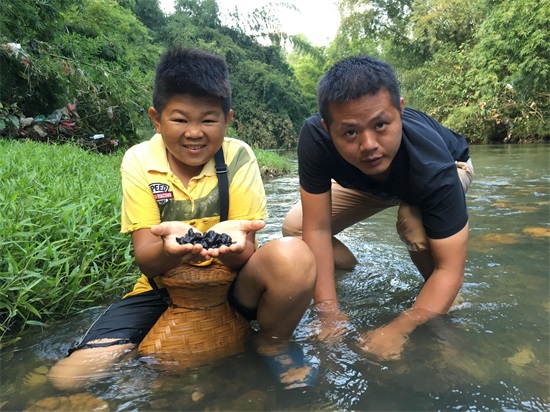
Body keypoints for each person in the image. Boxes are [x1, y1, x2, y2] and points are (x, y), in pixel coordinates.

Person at [48, 47, 317, 391]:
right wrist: (173, 250)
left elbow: (245, 250)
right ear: (156, 119)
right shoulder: (139, 161)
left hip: (232, 282)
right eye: (179, 119)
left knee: (294, 253)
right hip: (162, 288)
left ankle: (273, 342)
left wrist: (231, 245)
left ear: (227, 119)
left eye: (208, 119)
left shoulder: (239, 156)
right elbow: (146, 258)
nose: (194, 132)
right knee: (68, 379)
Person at [282, 54, 474, 361]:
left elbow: (451, 269)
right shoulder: (315, 139)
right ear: (326, 128)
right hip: (366, 180)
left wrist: (400, 327)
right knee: (294, 228)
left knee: (412, 221)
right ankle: (359, 270)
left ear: (401, 108)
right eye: (350, 132)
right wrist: (328, 313)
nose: (369, 144)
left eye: (381, 125)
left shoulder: (433, 166)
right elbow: (316, 228)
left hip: (448, 166)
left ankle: (443, 304)